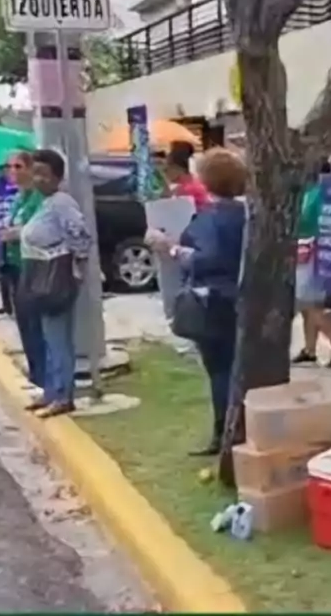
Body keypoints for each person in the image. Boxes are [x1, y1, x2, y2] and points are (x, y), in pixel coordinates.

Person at [173, 149, 249, 456]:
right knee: (234, 367)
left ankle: (224, 432)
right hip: (242, 297)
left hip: (214, 299)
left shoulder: (211, 217)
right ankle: (236, 428)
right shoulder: (246, 214)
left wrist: (175, 251)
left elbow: (207, 258)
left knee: (219, 370)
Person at [19, 149, 95, 418]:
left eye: (44, 174)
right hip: (40, 273)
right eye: (35, 172)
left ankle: (63, 395)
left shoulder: (62, 202)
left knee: (58, 338)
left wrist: (77, 265)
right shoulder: (45, 202)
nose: (38, 179)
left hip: (56, 277)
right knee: (48, 338)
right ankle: (52, 391)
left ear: (57, 177)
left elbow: (80, 233)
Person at [147, 141, 211, 343]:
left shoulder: (189, 191)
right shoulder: (189, 187)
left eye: (168, 168)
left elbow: (173, 210)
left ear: (177, 168)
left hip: (186, 244)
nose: (166, 172)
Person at [293, 160, 331, 368]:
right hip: (302, 248)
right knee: (305, 305)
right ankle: (310, 348)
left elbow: (310, 220)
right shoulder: (307, 191)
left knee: (310, 302)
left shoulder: (321, 194)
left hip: (314, 251)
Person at [0, 150, 48, 389]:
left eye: (19, 167)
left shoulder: (37, 198)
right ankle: (35, 371)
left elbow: (36, 228)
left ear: (29, 169)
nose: (14, 172)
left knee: (34, 323)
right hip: (13, 265)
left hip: (32, 265)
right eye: (10, 167)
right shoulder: (18, 198)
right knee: (24, 322)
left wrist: (15, 234)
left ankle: (44, 374)